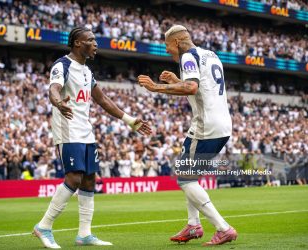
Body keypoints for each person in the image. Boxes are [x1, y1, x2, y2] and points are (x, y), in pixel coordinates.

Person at [33, 27, 151, 249]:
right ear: (78, 43)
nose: (96, 44)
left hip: (85, 130)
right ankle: (44, 226)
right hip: (68, 128)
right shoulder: (62, 65)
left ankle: (84, 234)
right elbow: (54, 89)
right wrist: (58, 102)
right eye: (91, 40)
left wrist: (129, 120)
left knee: (89, 179)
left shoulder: (87, 71)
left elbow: (103, 99)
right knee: (74, 178)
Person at [138, 25, 237, 246]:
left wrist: (156, 88)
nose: (166, 51)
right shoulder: (209, 55)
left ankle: (223, 228)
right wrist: (175, 81)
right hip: (221, 124)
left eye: (166, 46)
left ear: (176, 42)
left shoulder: (188, 56)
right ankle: (193, 224)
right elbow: (203, 88)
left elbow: (191, 87)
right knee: (188, 173)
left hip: (205, 126)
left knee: (185, 177)